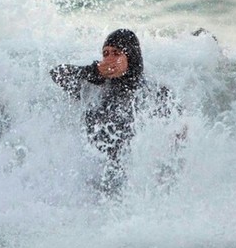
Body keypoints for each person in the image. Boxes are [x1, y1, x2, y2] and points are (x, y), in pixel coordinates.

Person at [50, 29, 180, 193]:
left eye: (116, 53)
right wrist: (93, 72)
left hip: (134, 182)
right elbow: (57, 74)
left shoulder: (153, 92)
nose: (109, 59)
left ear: (130, 56)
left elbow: (178, 134)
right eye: (105, 53)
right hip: (93, 177)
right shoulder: (94, 87)